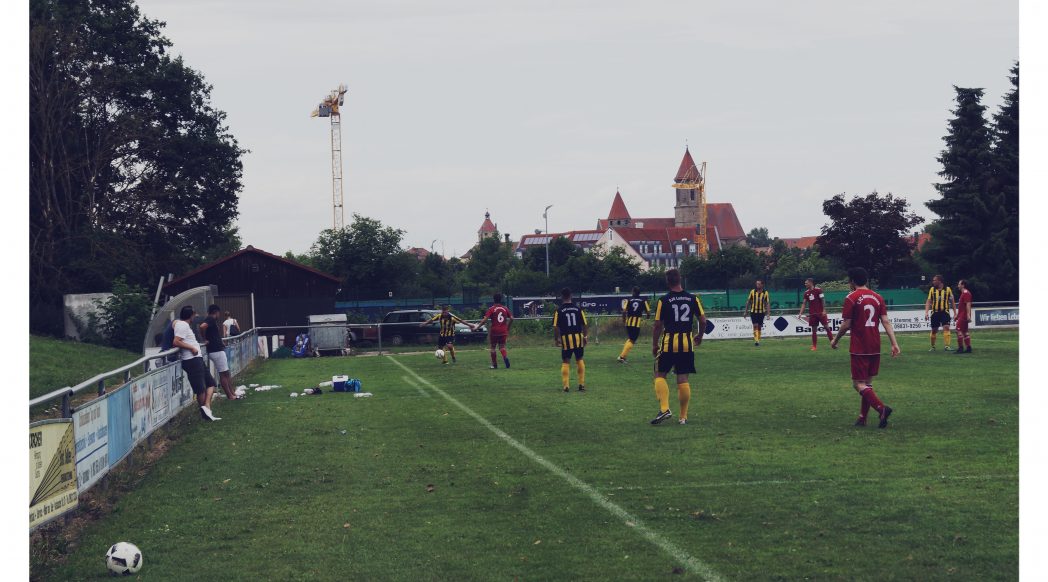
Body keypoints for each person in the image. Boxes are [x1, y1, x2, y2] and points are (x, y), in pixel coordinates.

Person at [831, 267, 900, 428]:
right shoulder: (878, 297)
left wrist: (835, 339)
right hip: (875, 345)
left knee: (858, 384)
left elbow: (846, 325)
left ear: (852, 282)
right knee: (867, 384)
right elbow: (886, 322)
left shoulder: (851, 298)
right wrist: (894, 343)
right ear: (866, 280)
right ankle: (862, 418)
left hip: (859, 346)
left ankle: (881, 409)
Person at [650, 269, 706, 426]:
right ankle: (683, 417)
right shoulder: (692, 298)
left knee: (660, 374)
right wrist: (700, 336)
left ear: (667, 282)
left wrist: (654, 344)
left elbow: (657, 325)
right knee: (682, 378)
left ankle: (665, 408)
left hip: (669, 343)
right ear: (680, 280)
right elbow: (703, 321)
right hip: (687, 344)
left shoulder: (664, 300)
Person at [172, 305, 221, 421]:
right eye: (194, 314)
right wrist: (191, 348)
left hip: (197, 359)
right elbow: (176, 341)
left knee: (211, 383)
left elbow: (174, 324)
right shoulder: (182, 325)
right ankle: (205, 413)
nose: (196, 316)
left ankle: (206, 407)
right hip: (192, 360)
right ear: (190, 315)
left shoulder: (182, 324)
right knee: (200, 389)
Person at [199, 304, 239, 400]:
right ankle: (230, 396)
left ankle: (232, 393)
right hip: (215, 350)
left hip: (217, 349)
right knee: (223, 373)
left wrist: (221, 342)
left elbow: (214, 334)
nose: (219, 315)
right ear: (216, 312)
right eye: (219, 313)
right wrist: (204, 339)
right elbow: (202, 327)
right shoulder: (210, 319)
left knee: (227, 373)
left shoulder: (211, 320)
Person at [554, 288, 589, 392]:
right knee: (579, 359)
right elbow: (585, 324)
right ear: (571, 296)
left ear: (562, 297)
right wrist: (585, 336)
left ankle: (566, 386)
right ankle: (581, 385)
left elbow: (555, 327)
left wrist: (557, 339)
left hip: (566, 338)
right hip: (578, 337)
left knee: (566, 361)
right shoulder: (578, 309)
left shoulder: (559, 311)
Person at [476, 293, 513, 369]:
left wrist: (477, 327)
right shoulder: (505, 308)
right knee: (502, 347)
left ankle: (494, 364)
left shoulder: (491, 309)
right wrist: (507, 328)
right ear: (501, 299)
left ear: (494, 299)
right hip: (503, 331)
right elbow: (512, 318)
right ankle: (505, 357)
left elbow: (484, 320)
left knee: (493, 347)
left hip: (494, 331)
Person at [798, 278, 835, 351]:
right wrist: (800, 313)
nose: (805, 284)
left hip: (821, 313)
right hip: (813, 314)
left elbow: (823, 300)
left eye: (806, 283)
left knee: (827, 328)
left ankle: (833, 343)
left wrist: (824, 310)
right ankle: (814, 346)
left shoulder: (818, 290)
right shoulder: (806, 293)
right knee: (814, 330)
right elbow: (804, 303)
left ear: (811, 283)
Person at [618, 287, 650, 364]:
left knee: (630, 339)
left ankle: (622, 356)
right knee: (632, 340)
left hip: (629, 322)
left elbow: (624, 311)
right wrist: (648, 317)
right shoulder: (643, 301)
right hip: (636, 323)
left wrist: (624, 320)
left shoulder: (628, 300)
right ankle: (622, 357)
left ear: (633, 292)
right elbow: (648, 312)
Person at [924, 274, 957, 351]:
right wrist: (926, 313)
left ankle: (947, 346)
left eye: (934, 280)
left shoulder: (948, 289)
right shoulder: (932, 290)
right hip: (935, 313)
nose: (933, 282)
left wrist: (955, 313)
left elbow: (952, 302)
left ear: (939, 281)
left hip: (945, 312)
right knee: (934, 330)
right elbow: (928, 301)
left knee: (946, 327)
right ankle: (933, 346)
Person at [744, 279, 770, 346]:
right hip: (753, 312)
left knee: (759, 326)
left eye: (759, 284)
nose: (757, 285)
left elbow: (767, 303)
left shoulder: (765, 293)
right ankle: (756, 341)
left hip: (761, 312)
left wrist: (768, 314)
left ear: (762, 285)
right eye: (756, 284)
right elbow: (748, 302)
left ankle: (758, 339)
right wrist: (745, 312)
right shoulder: (752, 292)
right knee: (755, 325)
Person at [954, 279, 973, 354]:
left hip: (964, 315)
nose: (958, 286)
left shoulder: (966, 293)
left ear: (963, 285)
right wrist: (957, 316)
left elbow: (968, 304)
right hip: (962, 315)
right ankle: (968, 348)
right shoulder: (963, 293)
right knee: (965, 331)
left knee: (958, 330)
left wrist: (968, 315)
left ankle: (960, 348)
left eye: (959, 284)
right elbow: (962, 307)